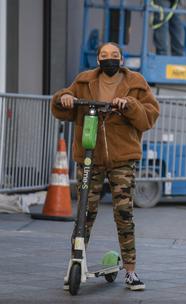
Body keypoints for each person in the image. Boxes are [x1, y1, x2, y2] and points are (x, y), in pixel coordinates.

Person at [51, 42, 160, 291]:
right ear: (98, 59)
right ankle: (75, 263)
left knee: (124, 215)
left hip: (123, 157)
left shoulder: (135, 82)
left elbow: (149, 117)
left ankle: (131, 271)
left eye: (114, 55)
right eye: (104, 55)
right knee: (84, 215)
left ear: (121, 58)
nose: (109, 59)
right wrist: (63, 98)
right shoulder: (84, 80)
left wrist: (130, 105)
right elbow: (62, 105)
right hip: (90, 157)